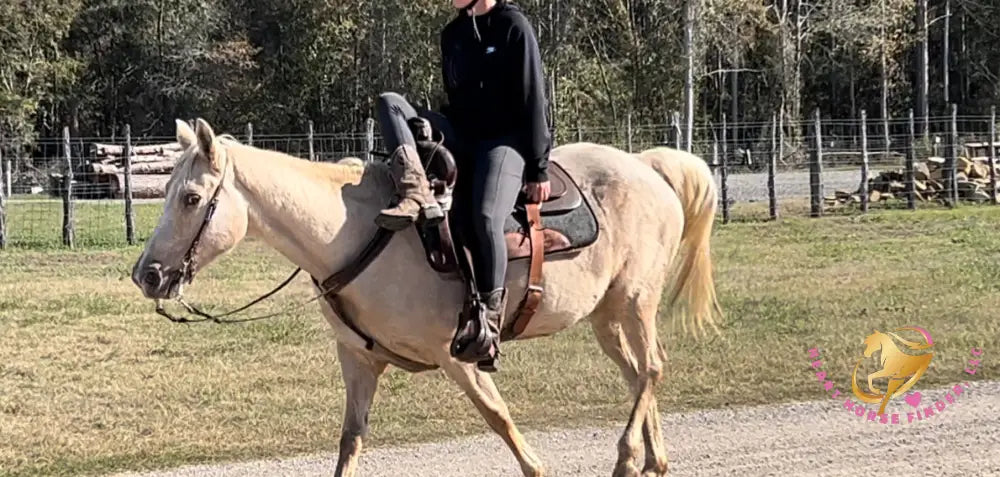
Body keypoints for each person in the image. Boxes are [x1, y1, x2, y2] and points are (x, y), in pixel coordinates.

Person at [375, 0, 551, 372]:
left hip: (506, 141)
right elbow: (456, 101)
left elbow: (534, 98)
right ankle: (414, 189)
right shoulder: (452, 35)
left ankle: (488, 320)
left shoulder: (513, 26)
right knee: (390, 103)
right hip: (463, 135)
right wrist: (428, 125)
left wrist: (538, 169)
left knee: (485, 216)